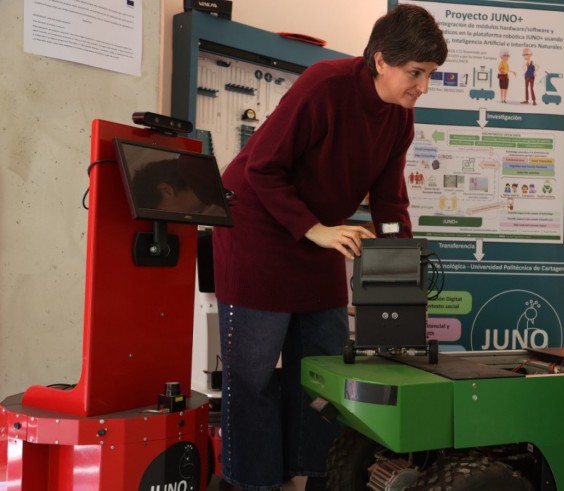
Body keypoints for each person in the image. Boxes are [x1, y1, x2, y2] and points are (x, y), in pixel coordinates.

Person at [211, 5, 447, 491]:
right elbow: (262, 170)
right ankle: (254, 484)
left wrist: (400, 261)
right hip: (257, 226)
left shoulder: (400, 119)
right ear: (381, 61)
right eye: (416, 73)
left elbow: (387, 200)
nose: (422, 87)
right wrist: (315, 229)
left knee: (324, 372)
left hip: (320, 232)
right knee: (252, 376)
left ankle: (309, 478)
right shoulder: (323, 84)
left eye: (429, 76)